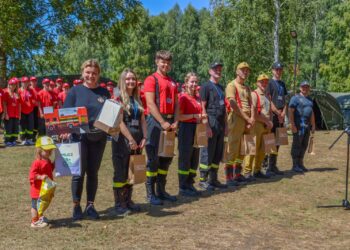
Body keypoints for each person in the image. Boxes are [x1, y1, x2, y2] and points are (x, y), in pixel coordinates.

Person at [63, 59, 110, 220]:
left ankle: (91, 205)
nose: (91, 75)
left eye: (94, 73)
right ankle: (76, 206)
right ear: (82, 73)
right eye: (88, 72)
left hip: (99, 137)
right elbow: (64, 115)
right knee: (78, 173)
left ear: (98, 75)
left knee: (93, 173)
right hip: (79, 137)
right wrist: (64, 130)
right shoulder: (74, 91)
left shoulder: (105, 93)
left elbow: (109, 115)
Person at [144, 50, 178, 205]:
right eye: (163, 62)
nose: (165, 65)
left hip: (170, 122)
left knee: (166, 158)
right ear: (157, 62)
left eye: (168, 62)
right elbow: (150, 103)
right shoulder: (151, 79)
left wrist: (176, 121)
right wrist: (162, 122)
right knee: (153, 159)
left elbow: (177, 104)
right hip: (156, 122)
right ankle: (150, 194)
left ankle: (161, 191)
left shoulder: (172, 81)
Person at [111, 68, 147, 216]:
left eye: (133, 79)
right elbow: (119, 122)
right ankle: (119, 204)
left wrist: (144, 137)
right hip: (122, 140)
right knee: (121, 171)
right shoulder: (117, 97)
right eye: (128, 79)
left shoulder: (137, 98)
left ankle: (128, 200)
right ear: (122, 80)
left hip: (138, 140)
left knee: (131, 170)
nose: (131, 81)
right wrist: (130, 139)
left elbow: (143, 119)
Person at [199, 61, 228, 190]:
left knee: (218, 151)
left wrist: (226, 125)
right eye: (215, 69)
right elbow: (202, 107)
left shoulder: (221, 88)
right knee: (207, 152)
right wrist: (206, 126)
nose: (218, 71)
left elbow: (225, 108)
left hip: (221, 123)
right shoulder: (205, 86)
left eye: (220, 69)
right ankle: (202, 179)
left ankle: (213, 179)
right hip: (210, 121)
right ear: (210, 71)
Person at [225, 62, 255, 184]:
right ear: (237, 71)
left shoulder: (247, 87)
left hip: (248, 119)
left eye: (247, 70)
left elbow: (252, 104)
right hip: (237, 118)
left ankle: (237, 174)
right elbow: (233, 104)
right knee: (233, 147)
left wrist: (252, 118)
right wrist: (247, 118)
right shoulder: (232, 85)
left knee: (245, 147)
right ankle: (229, 177)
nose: (245, 72)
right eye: (243, 70)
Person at [242, 74, 273, 178]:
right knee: (251, 149)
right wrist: (267, 121)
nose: (264, 84)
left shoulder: (268, 95)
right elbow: (254, 113)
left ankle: (257, 170)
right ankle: (247, 172)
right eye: (262, 82)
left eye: (266, 82)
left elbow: (269, 111)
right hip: (256, 125)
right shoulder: (254, 94)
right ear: (257, 83)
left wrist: (270, 122)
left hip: (266, 126)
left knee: (263, 150)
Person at [177, 72, 203, 196]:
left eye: (195, 82)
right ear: (186, 83)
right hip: (186, 128)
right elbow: (179, 117)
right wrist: (194, 116)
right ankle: (183, 186)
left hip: (197, 129)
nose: (194, 84)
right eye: (191, 82)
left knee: (194, 157)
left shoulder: (198, 98)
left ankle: (190, 183)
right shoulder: (183, 97)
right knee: (185, 158)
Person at [265, 62, 288, 175]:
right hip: (273, 115)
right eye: (277, 70)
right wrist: (277, 113)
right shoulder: (269, 83)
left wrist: (283, 112)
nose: (279, 72)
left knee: (278, 141)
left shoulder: (283, 84)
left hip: (281, 116)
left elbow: (285, 99)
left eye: (280, 70)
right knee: (271, 140)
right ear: (273, 70)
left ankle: (273, 165)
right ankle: (268, 166)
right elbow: (268, 100)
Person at [29, 136, 56, 228]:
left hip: (44, 189)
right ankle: (34, 221)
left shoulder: (47, 160)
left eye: (50, 150)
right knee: (35, 206)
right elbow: (32, 175)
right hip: (37, 190)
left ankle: (40, 218)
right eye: (47, 150)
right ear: (39, 150)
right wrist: (40, 177)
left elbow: (49, 170)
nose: (50, 152)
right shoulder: (37, 162)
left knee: (41, 205)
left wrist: (55, 164)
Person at [289, 81, 315, 172]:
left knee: (304, 145)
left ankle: (300, 163)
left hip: (307, 126)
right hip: (298, 125)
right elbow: (290, 111)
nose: (305, 88)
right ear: (300, 88)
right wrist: (292, 124)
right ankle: (295, 165)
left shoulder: (310, 99)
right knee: (297, 145)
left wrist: (313, 125)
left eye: (307, 87)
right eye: (303, 87)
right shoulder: (295, 98)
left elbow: (311, 113)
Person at [3, 78, 21, 147]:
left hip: (15, 114)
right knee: (8, 128)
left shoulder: (16, 94)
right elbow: (4, 104)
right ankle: (7, 141)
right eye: (12, 85)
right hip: (9, 114)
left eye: (14, 85)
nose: (13, 86)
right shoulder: (6, 92)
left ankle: (13, 140)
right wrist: (6, 113)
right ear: (9, 85)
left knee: (15, 128)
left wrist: (19, 114)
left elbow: (19, 104)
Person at [18, 76, 36, 145]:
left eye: (27, 82)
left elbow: (34, 99)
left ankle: (29, 139)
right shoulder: (19, 90)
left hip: (30, 111)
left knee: (30, 126)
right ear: (22, 83)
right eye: (24, 82)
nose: (25, 83)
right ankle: (23, 139)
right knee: (22, 125)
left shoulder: (31, 90)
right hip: (22, 111)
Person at [29, 76, 41, 141]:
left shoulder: (39, 89)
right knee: (31, 123)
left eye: (35, 81)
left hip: (37, 109)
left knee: (36, 123)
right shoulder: (28, 89)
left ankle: (34, 136)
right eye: (32, 81)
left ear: (36, 82)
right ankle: (29, 137)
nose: (33, 82)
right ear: (30, 82)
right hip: (30, 109)